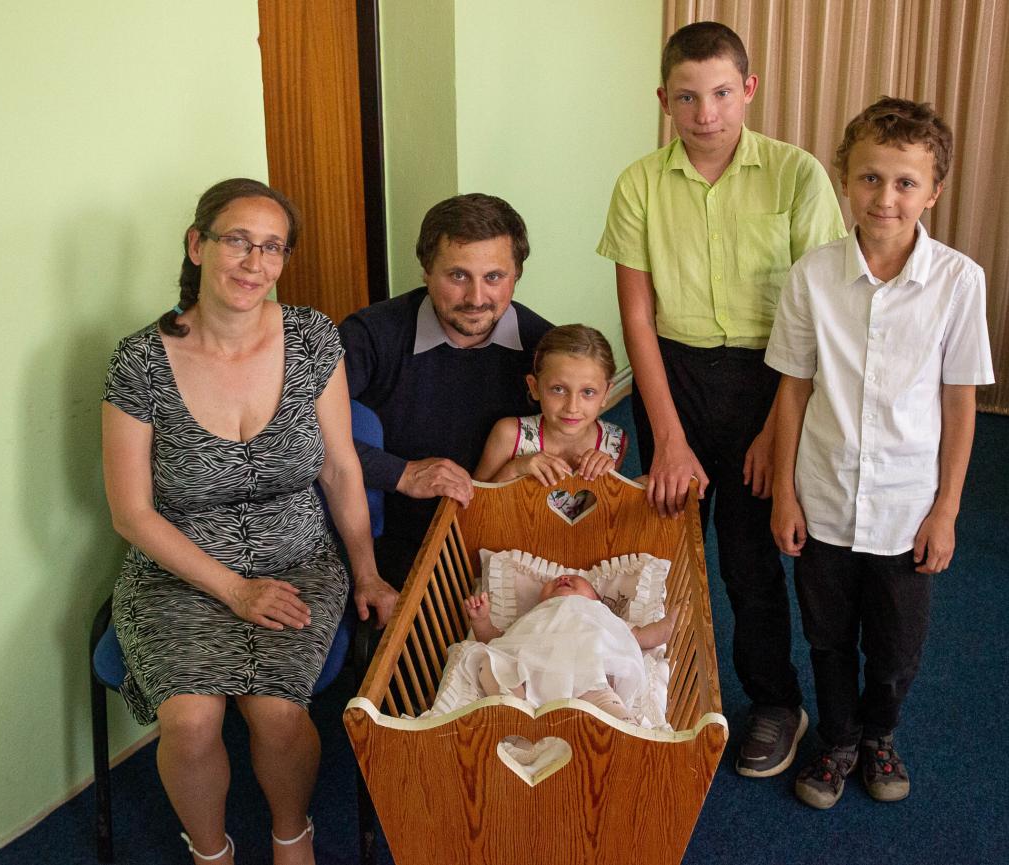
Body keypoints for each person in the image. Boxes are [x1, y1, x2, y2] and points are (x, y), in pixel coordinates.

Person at [101, 178, 397, 865]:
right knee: (191, 720)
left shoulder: (311, 337)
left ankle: (292, 833)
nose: (254, 262)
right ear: (197, 245)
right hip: (179, 570)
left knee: (277, 713)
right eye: (237, 240)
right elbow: (131, 513)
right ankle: (211, 852)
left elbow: (340, 468)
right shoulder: (140, 361)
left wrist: (366, 570)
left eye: (272, 247)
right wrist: (234, 589)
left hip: (296, 559)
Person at [596, 21, 846, 777]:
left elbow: (816, 317)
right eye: (687, 97)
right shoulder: (639, 183)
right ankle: (659, 691)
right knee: (665, 549)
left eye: (721, 93)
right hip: (672, 377)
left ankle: (775, 701)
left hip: (772, 378)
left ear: (749, 89)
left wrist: (776, 432)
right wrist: (668, 438)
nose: (705, 113)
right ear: (663, 99)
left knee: (747, 554)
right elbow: (637, 317)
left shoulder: (797, 175)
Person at [766, 97, 994, 808]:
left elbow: (959, 404)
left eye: (905, 182)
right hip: (824, 497)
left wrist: (946, 511)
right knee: (827, 637)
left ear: (934, 191)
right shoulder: (811, 275)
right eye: (869, 178)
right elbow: (794, 389)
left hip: (906, 508)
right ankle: (837, 738)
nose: (885, 197)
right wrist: (784, 492)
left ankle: (879, 734)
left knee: (895, 648)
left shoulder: (959, 282)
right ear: (844, 178)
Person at [340, 194, 552, 586]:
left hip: (513, 537)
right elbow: (302, 430)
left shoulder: (547, 349)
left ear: (516, 275)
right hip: (399, 539)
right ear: (426, 270)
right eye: (457, 276)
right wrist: (401, 473)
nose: (476, 298)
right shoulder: (370, 335)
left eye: (494, 277)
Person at [463, 575, 677, 722]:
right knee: (489, 663)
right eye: (555, 582)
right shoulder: (533, 616)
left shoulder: (601, 615)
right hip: (529, 679)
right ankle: (516, 712)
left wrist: (668, 624)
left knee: (604, 702)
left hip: (588, 678)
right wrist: (482, 621)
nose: (563, 578)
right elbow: (499, 642)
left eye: (575, 579)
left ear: (596, 599)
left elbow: (642, 636)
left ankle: (625, 729)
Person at [472, 324, 628, 513]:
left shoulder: (615, 442)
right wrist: (515, 468)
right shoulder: (509, 434)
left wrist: (606, 481)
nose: (572, 407)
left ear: (606, 394)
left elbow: (598, 514)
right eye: (558, 389)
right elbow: (473, 508)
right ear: (535, 387)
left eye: (588, 392)